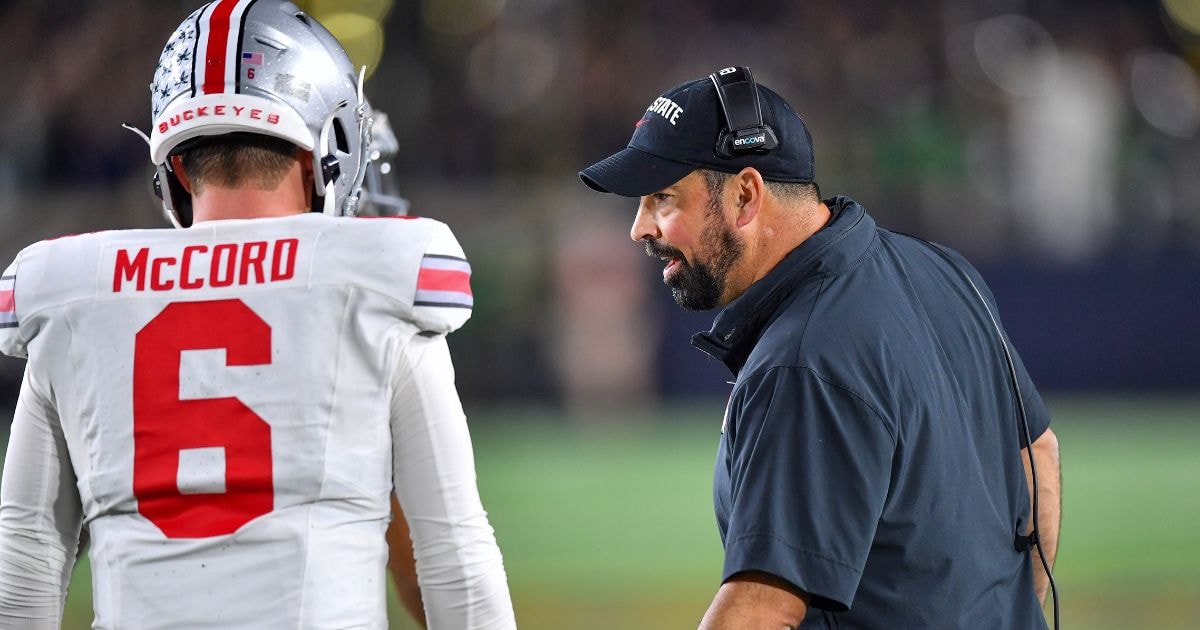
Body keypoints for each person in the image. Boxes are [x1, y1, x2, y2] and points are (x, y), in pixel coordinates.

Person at [0, 1, 516, 628]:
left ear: (179, 170)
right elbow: (455, 559)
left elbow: (24, 564)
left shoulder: (72, 296)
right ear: (318, 157)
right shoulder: (380, 280)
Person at [579, 66, 1061, 629]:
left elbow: (760, 611)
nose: (640, 228)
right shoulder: (945, 272)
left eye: (663, 198)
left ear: (745, 194)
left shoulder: (803, 360)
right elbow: (1039, 454)